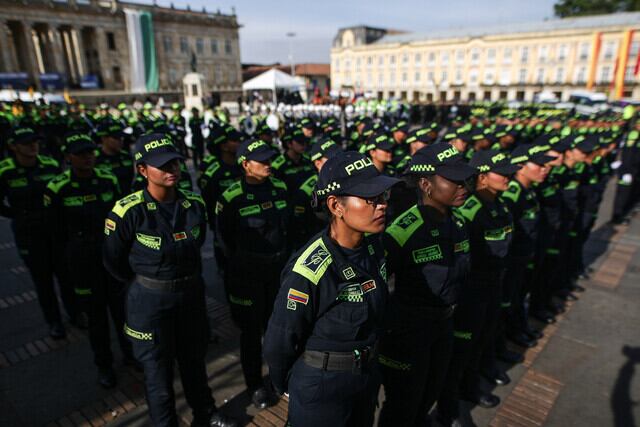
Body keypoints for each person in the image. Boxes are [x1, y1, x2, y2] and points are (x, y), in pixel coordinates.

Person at [102, 133, 237, 427]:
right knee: (158, 375)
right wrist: (146, 283)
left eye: (175, 162)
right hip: (149, 301)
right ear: (142, 170)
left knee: (194, 363)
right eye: (162, 165)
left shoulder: (193, 206)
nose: (171, 169)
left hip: (189, 295)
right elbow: (114, 261)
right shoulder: (127, 211)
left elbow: (198, 240)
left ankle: (206, 412)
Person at [264, 151, 398, 427]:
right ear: (336, 205)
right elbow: (280, 341)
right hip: (322, 388)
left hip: (364, 377)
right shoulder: (311, 269)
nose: (382, 205)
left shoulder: (373, 246)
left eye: (383, 196)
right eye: (371, 198)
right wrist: (289, 385)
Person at [378, 143, 476, 426]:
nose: (463, 185)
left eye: (464, 178)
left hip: (443, 324)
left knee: (430, 392)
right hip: (409, 331)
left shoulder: (458, 223)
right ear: (425, 184)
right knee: (402, 402)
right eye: (454, 180)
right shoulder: (401, 232)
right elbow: (378, 287)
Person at [436, 149, 519, 426]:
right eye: (502, 172)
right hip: (472, 291)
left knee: (483, 337)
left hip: (493, 285)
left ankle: (475, 381)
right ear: (482, 176)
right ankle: (454, 401)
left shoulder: (500, 203)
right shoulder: (469, 211)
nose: (509, 177)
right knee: (461, 350)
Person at [44, 131, 131, 388]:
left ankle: (130, 355)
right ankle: (104, 365)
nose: (88, 158)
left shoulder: (107, 179)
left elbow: (120, 215)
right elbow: (55, 232)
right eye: (81, 154)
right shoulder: (58, 188)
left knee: (122, 312)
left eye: (90, 153)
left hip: (110, 255)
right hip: (81, 260)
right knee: (95, 318)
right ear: (69, 157)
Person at [215, 139, 290, 409]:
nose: (269, 164)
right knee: (250, 334)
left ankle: (279, 377)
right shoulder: (231, 197)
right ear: (245, 164)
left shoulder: (280, 187)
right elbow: (223, 243)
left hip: (276, 272)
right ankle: (254, 385)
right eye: (263, 160)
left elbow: (287, 230)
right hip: (246, 276)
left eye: (270, 159)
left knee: (278, 329)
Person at [0, 127, 73, 338]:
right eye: (26, 143)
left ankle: (75, 313)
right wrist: (18, 215)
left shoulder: (50, 165)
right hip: (28, 235)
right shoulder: (5, 171)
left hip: (54, 231)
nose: (33, 146)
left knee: (66, 276)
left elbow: (62, 192)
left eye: (35, 141)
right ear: (13, 146)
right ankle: (54, 322)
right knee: (43, 282)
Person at [500, 143, 552, 350]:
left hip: (524, 258)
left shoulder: (528, 190)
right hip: (511, 261)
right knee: (506, 302)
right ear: (520, 166)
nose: (545, 168)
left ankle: (515, 329)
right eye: (538, 165)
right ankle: (503, 339)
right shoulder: (512, 194)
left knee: (518, 296)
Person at [289, 137, 342, 251]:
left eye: (339, 156)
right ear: (318, 163)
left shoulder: (345, 179)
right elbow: (299, 226)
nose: (338, 161)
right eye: (332, 158)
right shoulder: (306, 190)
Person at [95, 121, 135, 193]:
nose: (121, 141)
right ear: (104, 138)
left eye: (121, 137)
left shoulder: (126, 156)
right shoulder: (94, 158)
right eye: (116, 138)